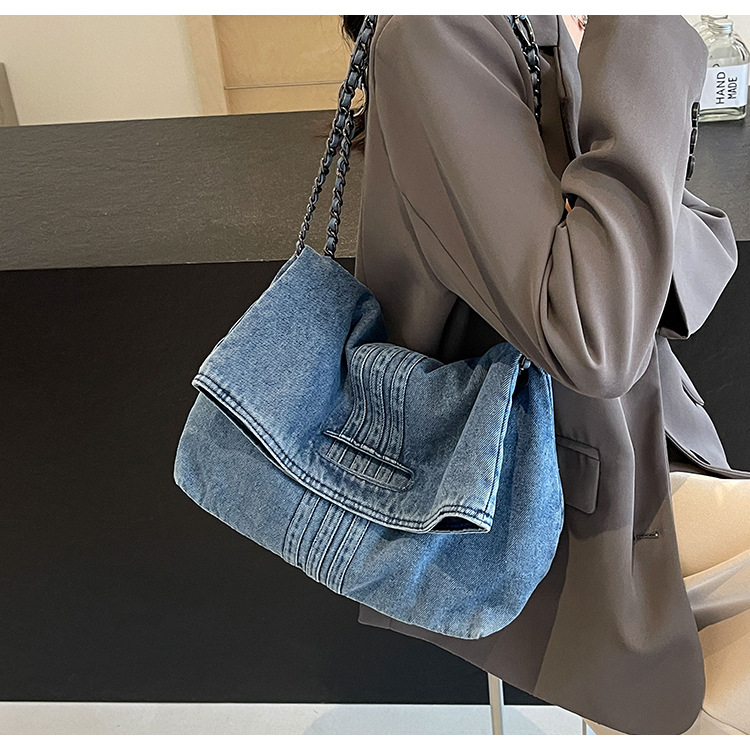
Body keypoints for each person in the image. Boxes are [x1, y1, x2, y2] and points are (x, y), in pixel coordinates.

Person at [340, 14, 750, 734]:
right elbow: (595, 337)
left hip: (635, 451)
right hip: (534, 495)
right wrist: (638, 39)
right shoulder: (435, 37)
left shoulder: (541, 33)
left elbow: (700, 247)